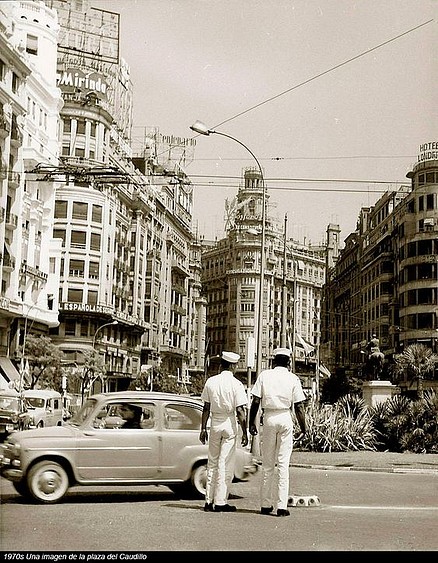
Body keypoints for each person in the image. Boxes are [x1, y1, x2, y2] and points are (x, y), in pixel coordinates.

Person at [249, 347, 306, 517]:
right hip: (285, 417)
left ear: (274, 361)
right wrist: (304, 428)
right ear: (288, 362)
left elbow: (255, 401)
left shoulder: (265, 376)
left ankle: (266, 505)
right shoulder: (293, 378)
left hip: (269, 418)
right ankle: (282, 507)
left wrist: (252, 423)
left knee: (267, 465)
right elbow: (299, 406)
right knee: (283, 464)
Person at [199, 351, 249, 513]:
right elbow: (240, 411)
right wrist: (245, 431)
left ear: (221, 365)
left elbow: (206, 408)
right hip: (228, 422)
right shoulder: (236, 384)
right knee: (225, 463)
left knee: (212, 462)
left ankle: (208, 500)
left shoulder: (211, 382)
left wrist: (202, 428)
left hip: (214, 423)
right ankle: (220, 501)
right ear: (233, 366)